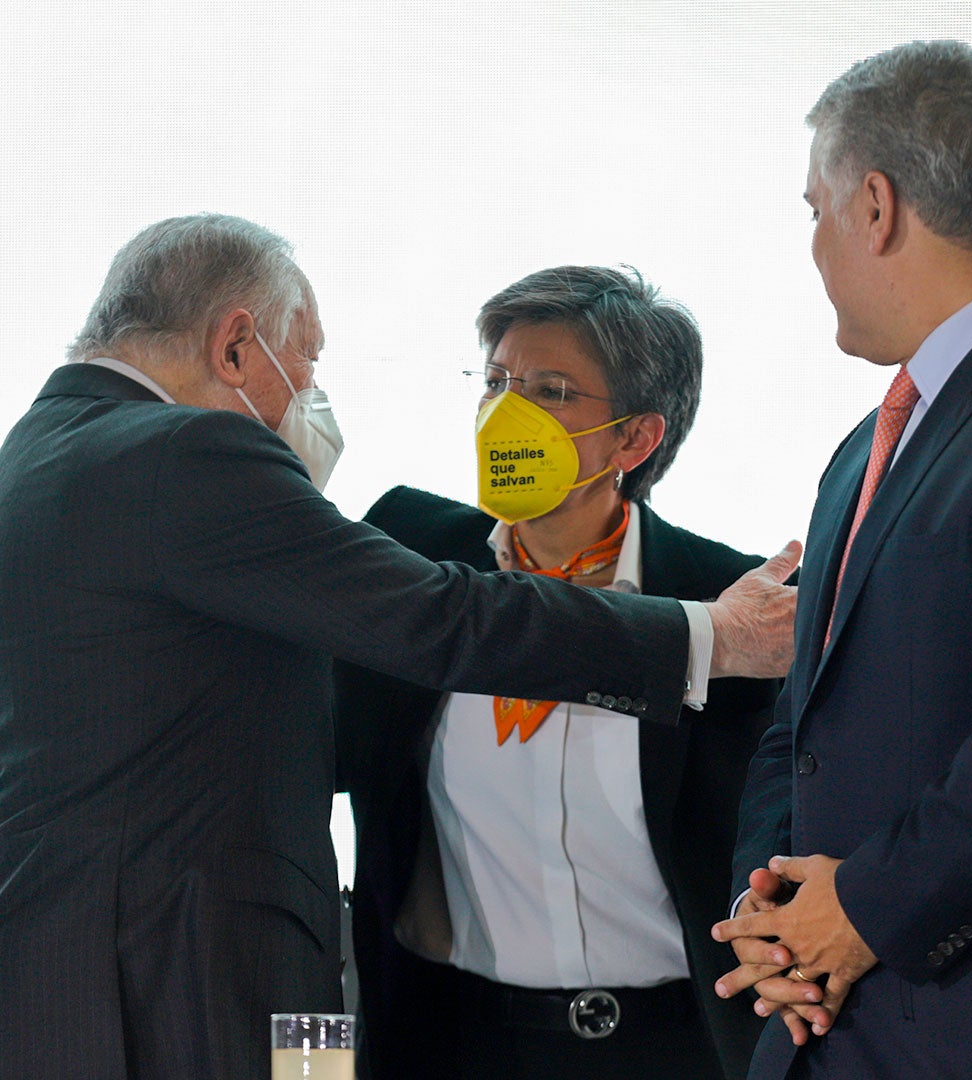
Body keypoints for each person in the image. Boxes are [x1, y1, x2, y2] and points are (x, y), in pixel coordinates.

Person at [0, 215, 798, 1080]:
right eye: (304, 360)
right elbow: (444, 620)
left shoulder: (47, 447)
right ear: (236, 346)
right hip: (214, 988)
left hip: (208, 974)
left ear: (637, 436)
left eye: (550, 390)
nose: (310, 391)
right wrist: (706, 637)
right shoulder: (200, 457)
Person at [711, 40, 972, 1079]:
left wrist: (864, 910)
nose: (816, 246)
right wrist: (768, 909)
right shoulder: (865, 446)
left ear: (874, 206)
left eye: (813, 210)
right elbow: (803, 724)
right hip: (832, 1032)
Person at [335, 264, 786, 1080]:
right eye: (498, 380)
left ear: (634, 438)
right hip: (448, 1039)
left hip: (674, 1043)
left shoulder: (726, 611)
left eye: (549, 390)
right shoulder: (409, 553)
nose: (507, 411)